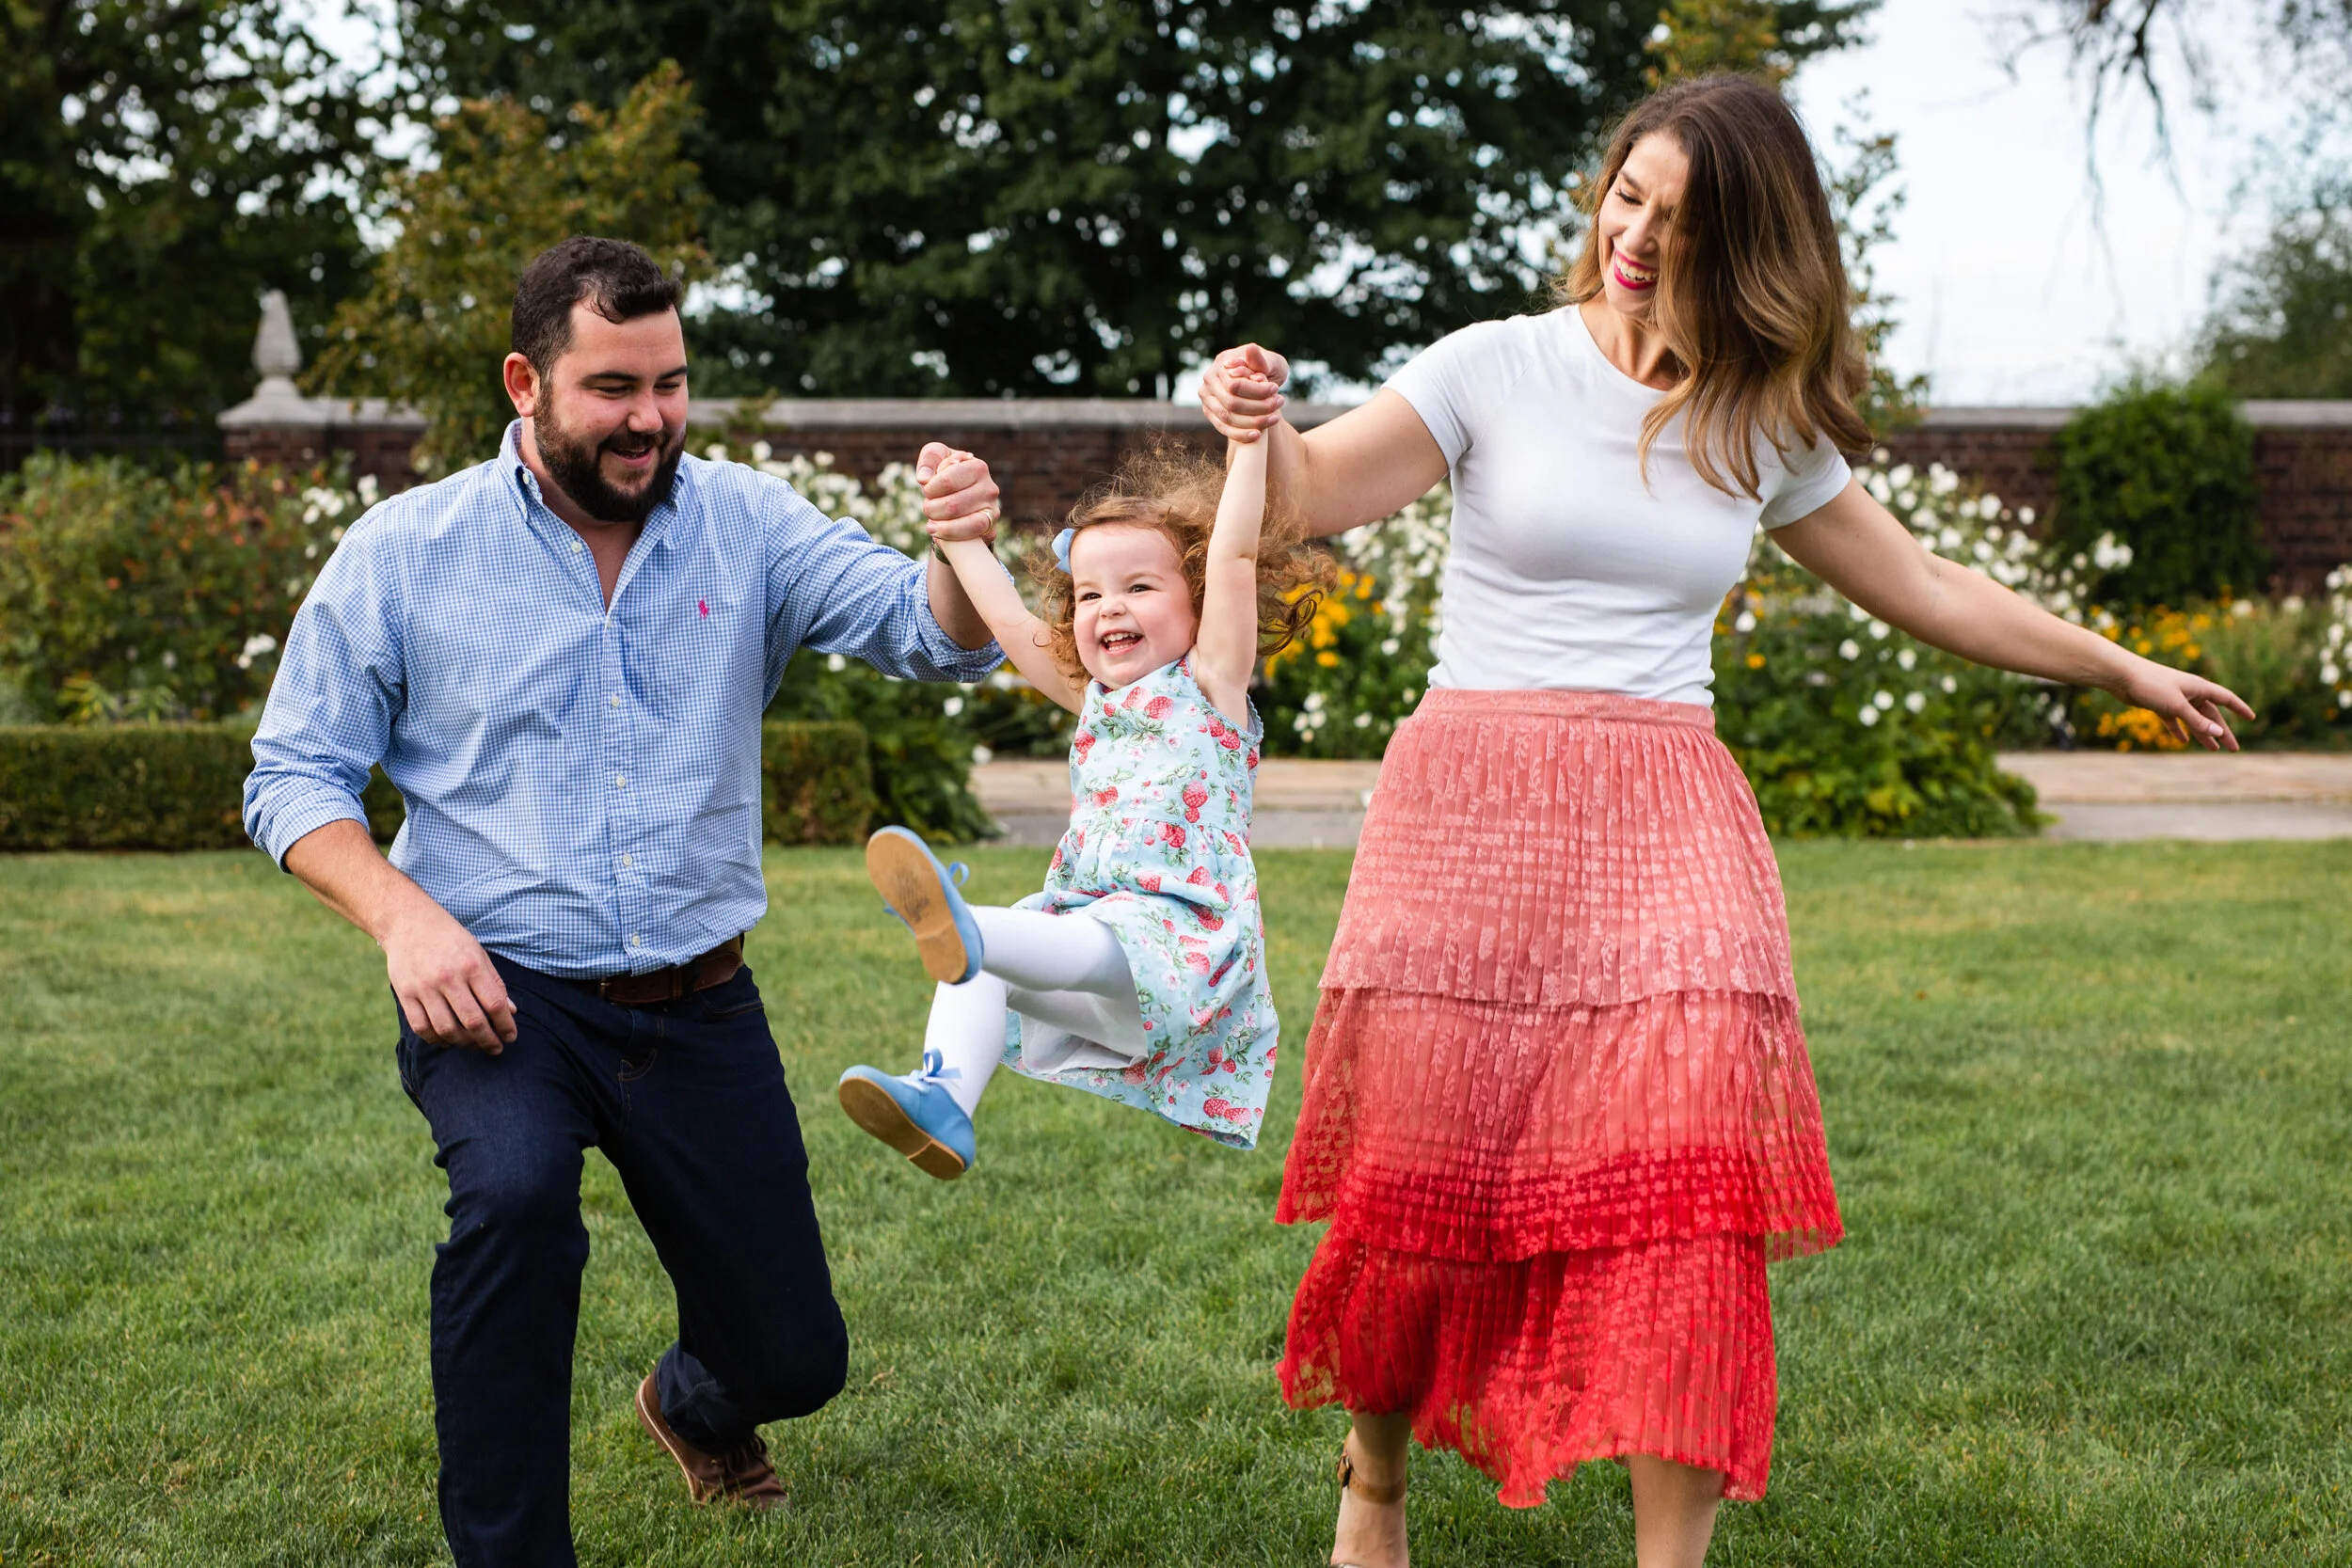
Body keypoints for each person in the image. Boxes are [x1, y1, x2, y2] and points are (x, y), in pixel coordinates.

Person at [1197, 75, 2252, 1568]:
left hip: (1667, 808)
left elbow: (1932, 585)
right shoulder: (1494, 365)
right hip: (1470, 801)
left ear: (1746, 243)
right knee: (1425, 1165)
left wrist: (2119, 661)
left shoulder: (1758, 416)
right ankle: (1375, 1487)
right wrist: (1257, 419)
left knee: (1690, 1178)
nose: (1634, 235)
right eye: (1628, 195)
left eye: (1678, 220)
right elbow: (1311, 488)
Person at [240, 235, 1008, 1566]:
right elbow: (291, 773)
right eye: (613, 387)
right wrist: (405, 915)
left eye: (670, 382)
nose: (650, 416)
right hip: (500, 993)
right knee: (518, 1202)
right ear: (526, 380)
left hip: (700, 1003)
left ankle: (696, 1401)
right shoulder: (407, 549)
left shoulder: (748, 522)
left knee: (796, 1352)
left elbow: (928, 632)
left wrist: (957, 547)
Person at [834, 439, 1333, 1174]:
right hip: (1105, 955)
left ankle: (966, 925)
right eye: (1090, 594)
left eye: (1139, 586)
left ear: (1196, 596)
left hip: (1181, 946)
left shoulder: (1212, 686)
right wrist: (954, 533)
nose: (1110, 608)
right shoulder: (1096, 702)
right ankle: (942, 1097)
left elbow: (1231, 557)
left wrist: (1248, 439)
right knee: (991, 965)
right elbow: (1005, 620)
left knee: (997, 935)